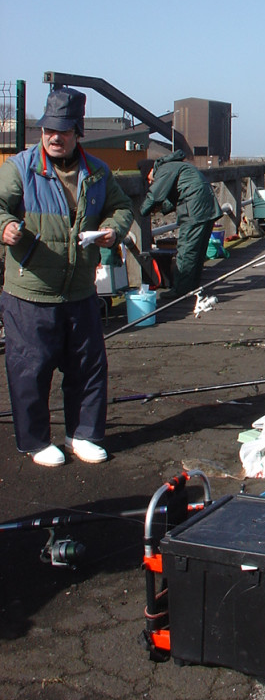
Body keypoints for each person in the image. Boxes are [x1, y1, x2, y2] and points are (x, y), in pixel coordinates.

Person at [0, 87, 133, 466]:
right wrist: (6, 225)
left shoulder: (97, 171)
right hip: (29, 291)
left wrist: (112, 229)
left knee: (89, 366)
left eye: (63, 131)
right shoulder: (19, 169)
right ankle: (36, 441)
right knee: (30, 369)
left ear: (78, 132)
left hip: (79, 289)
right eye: (48, 130)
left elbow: (121, 206)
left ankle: (83, 434)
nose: (54, 137)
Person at [140, 150, 222, 299]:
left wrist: (141, 212)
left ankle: (180, 290)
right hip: (207, 208)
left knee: (186, 250)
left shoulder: (164, 170)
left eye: (149, 179)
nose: (151, 182)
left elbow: (155, 195)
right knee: (198, 251)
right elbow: (173, 196)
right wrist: (162, 209)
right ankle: (192, 287)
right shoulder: (177, 166)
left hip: (194, 211)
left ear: (151, 170)